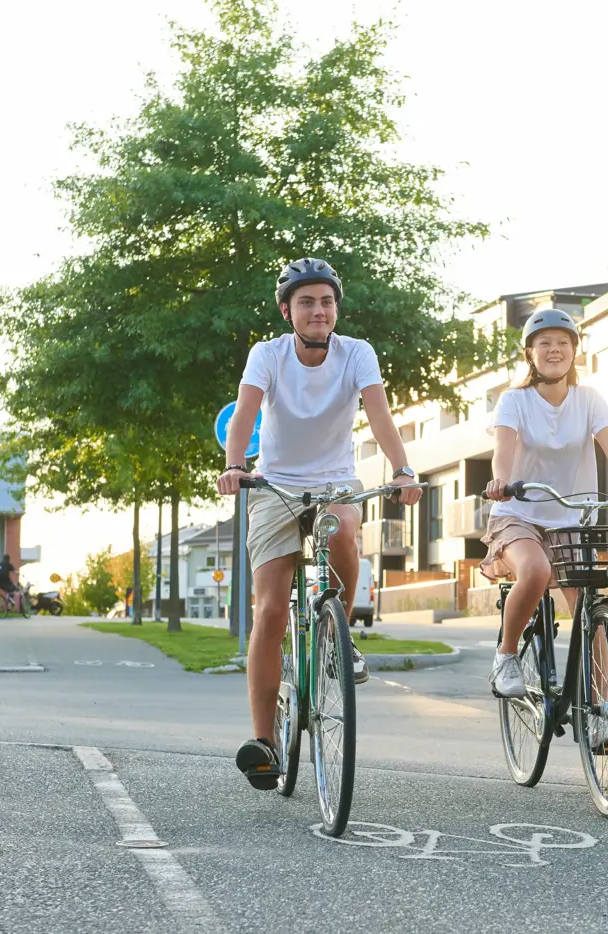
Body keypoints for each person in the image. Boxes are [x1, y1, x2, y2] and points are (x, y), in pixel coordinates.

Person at [217, 257, 421, 789]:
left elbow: (380, 415)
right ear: (287, 310)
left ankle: (337, 629)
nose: (318, 310)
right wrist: (235, 465)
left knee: (346, 528)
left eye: (327, 301)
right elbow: (244, 413)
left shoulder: (357, 353)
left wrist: (402, 470)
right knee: (268, 610)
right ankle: (264, 740)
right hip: (276, 485)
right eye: (306, 302)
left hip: (335, 481)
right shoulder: (268, 355)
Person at [481, 309, 608, 702]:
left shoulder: (589, 399)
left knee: (591, 613)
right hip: (519, 514)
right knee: (534, 570)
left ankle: (600, 708)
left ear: (574, 352)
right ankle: (506, 656)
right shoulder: (513, 401)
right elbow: (504, 448)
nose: (554, 350)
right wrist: (501, 480)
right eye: (544, 343)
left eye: (563, 343)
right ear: (529, 354)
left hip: (571, 522)